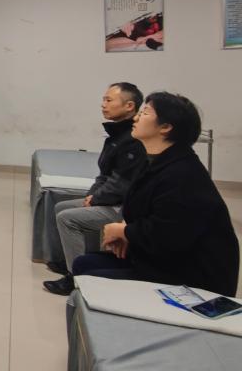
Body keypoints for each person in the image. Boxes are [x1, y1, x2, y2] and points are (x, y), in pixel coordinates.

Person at [73, 93, 239, 297]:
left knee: (90, 280)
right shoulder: (156, 161)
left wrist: (124, 232)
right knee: (84, 264)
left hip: (191, 274)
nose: (136, 118)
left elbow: (171, 235)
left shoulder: (183, 174)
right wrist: (127, 233)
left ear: (165, 127)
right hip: (160, 257)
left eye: (144, 113)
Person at [43, 83, 147, 295]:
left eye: (109, 100)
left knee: (67, 218)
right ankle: (71, 260)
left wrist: (97, 198)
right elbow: (104, 174)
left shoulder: (133, 140)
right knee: (60, 207)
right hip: (110, 198)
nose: (103, 105)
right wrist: (92, 195)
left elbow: (121, 184)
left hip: (123, 207)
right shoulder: (117, 135)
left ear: (129, 106)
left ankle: (76, 278)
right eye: (103, 100)